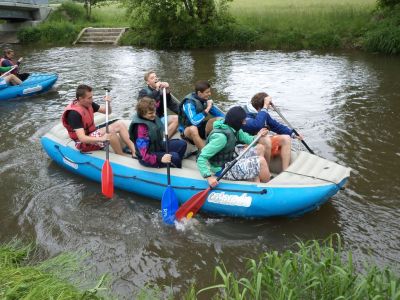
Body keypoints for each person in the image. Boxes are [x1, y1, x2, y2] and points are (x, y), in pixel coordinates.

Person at [197, 106, 271, 187]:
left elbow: (250, 140)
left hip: (230, 157)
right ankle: (268, 188)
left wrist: (258, 135)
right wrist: (209, 177)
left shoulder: (234, 129)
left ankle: (256, 176)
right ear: (236, 121)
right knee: (261, 162)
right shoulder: (220, 138)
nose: (245, 123)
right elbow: (202, 158)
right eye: (243, 121)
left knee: (260, 148)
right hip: (221, 169)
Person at [62, 84, 136, 155]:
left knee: (120, 124)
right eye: (89, 98)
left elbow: (108, 112)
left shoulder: (88, 103)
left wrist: (108, 103)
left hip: (92, 135)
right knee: (110, 131)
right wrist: (102, 138)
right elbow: (82, 138)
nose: (92, 100)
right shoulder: (74, 114)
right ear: (81, 99)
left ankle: (134, 151)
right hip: (83, 144)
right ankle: (120, 155)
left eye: (92, 97)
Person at [242, 92, 303, 171]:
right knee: (266, 139)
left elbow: (276, 126)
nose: (269, 107)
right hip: (248, 144)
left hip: (259, 140)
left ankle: (285, 171)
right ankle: (266, 171)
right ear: (261, 107)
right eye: (268, 106)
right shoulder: (244, 114)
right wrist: (265, 107)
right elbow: (257, 125)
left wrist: (293, 134)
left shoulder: (262, 113)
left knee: (286, 138)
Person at [129, 97, 187, 168]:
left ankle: (172, 164)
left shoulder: (151, 115)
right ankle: (171, 164)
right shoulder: (141, 130)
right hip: (148, 156)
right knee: (175, 157)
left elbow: (159, 100)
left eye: (154, 111)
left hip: (158, 146)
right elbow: (144, 155)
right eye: (150, 113)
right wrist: (160, 158)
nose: (154, 114)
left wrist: (166, 91)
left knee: (182, 144)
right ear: (142, 114)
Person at [178, 81, 225, 150]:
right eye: (207, 92)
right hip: (187, 131)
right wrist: (208, 108)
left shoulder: (205, 100)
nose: (210, 94)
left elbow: (219, 115)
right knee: (193, 129)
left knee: (220, 119)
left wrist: (229, 120)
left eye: (209, 91)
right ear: (199, 93)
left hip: (200, 127)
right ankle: (205, 153)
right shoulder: (188, 103)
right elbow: (194, 122)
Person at [138, 70, 179, 137]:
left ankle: (164, 139)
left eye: (156, 77)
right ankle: (163, 142)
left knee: (179, 119)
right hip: (149, 121)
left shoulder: (161, 91)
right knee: (176, 119)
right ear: (148, 82)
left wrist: (167, 91)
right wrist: (156, 89)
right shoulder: (143, 92)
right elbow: (145, 104)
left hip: (160, 118)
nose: (155, 78)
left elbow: (170, 104)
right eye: (152, 78)